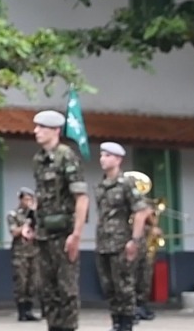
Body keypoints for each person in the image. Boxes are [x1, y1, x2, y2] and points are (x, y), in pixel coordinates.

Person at [29, 109, 89, 331]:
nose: (36, 131)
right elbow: (40, 198)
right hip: (44, 234)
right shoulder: (39, 160)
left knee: (67, 290)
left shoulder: (67, 156)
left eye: (41, 127)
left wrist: (76, 235)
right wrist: (31, 225)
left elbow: (81, 198)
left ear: (55, 130)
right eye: (36, 126)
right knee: (48, 290)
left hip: (64, 234)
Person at [93, 142, 150, 331]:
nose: (103, 159)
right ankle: (116, 320)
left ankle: (127, 322)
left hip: (121, 243)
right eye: (102, 155)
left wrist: (134, 240)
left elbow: (141, 212)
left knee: (124, 284)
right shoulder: (100, 186)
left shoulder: (126, 183)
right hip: (103, 243)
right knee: (108, 286)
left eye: (108, 155)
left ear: (118, 159)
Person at [7, 188, 42, 322]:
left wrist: (34, 217)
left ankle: (29, 310)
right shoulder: (14, 215)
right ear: (20, 200)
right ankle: (21, 311)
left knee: (33, 283)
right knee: (21, 282)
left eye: (30, 199)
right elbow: (14, 232)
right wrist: (25, 225)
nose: (29, 202)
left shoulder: (36, 216)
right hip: (20, 253)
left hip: (34, 252)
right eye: (26, 199)